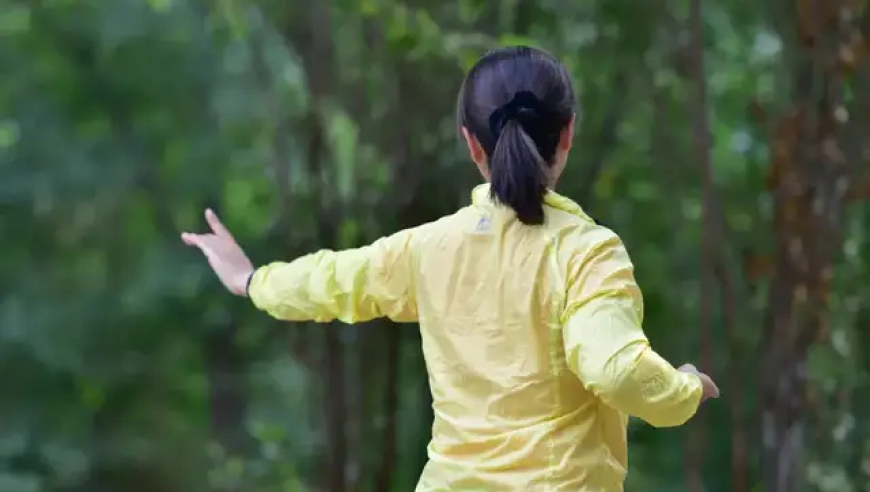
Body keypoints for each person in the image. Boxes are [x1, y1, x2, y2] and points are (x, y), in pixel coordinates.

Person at [182, 45, 719, 492]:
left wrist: (250, 280)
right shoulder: (587, 252)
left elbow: (333, 281)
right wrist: (683, 390)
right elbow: (617, 370)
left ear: (470, 144)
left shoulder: (430, 248)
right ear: (567, 134)